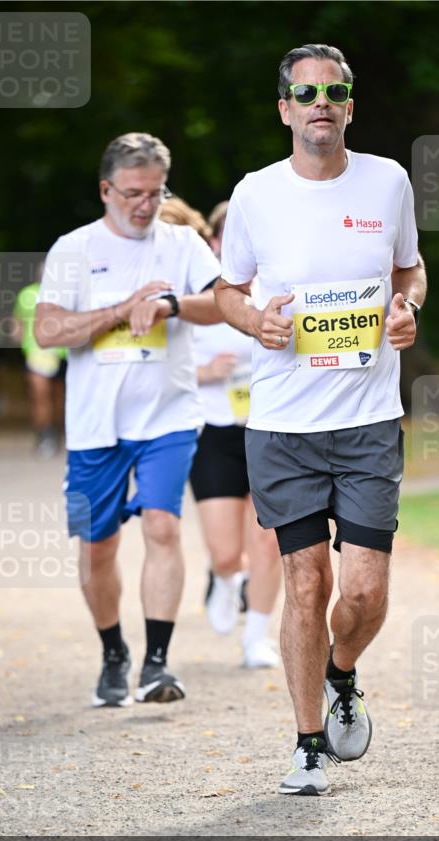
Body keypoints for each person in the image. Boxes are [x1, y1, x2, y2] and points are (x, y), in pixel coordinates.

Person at [215, 44, 426, 795]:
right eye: (305, 93)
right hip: (283, 424)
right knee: (305, 584)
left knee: (362, 591)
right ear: (284, 108)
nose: (320, 103)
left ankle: (342, 673)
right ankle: (307, 743)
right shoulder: (254, 194)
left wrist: (406, 307)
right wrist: (254, 323)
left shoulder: (388, 181)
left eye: (333, 91)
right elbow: (227, 291)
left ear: (348, 104)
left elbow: (408, 269)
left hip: (368, 420)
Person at [34, 132, 222, 708]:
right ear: (106, 190)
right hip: (97, 426)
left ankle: (156, 663)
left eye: (156, 192)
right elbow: (48, 331)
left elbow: (222, 304)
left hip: (168, 414)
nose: (145, 204)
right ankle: (113, 650)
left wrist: (168, 305)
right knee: (98, 547)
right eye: (134, 193)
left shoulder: (184, 244)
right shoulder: (74, 249)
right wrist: (121, 308)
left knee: (163, 527)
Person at [161, 198, 282, 669]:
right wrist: (205, 372)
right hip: (213, 432)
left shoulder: (279, 288)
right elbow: (165, 365)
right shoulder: (199, 298)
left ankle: (257, 639)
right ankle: (227, 578)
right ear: (213, 242)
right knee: (227, 551)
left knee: (270, 539)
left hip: (271, 433)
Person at [12, 261, 67, 458]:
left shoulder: (66, 294)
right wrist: (21, 341)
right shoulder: (27, 294)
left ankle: (58, 433)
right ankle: (44, 435)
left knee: (60, 397)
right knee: (40, 396)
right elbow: (17, 322)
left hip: (62, 353)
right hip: (37, 353)